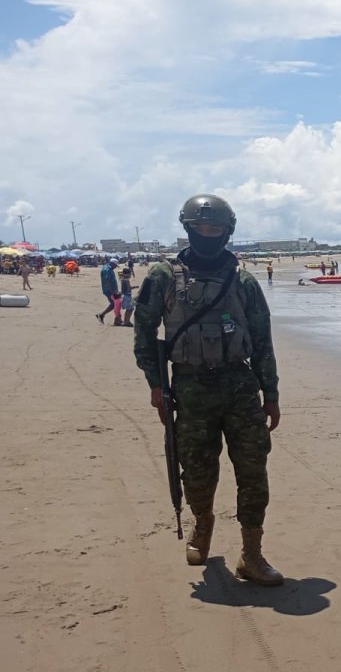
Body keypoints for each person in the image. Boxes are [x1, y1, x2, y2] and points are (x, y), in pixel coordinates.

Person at [132, 194, 283, 586]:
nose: (208, 234)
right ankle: (203, 524)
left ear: (227, 231)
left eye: (215, 228)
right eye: (201, 228)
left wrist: (271, 393)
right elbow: (144, 332)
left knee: (253, 470)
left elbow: (263, 339)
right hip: (191, 386)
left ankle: (252, 553)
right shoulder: (162, 277)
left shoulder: (244, 281)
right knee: (197, 469)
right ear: (188, 228)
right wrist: (155, 384)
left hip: (239, 386)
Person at [96, 258, 122, 325]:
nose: (116, 267)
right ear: (112, 263)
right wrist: (113, 292)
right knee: (115, 304)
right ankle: (102, 315)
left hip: (109, 289)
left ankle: (118, 319)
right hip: (109, 290)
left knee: (115, 303)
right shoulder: (108, 269)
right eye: (115, 265)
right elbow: (108, 281)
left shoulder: (106, 267)